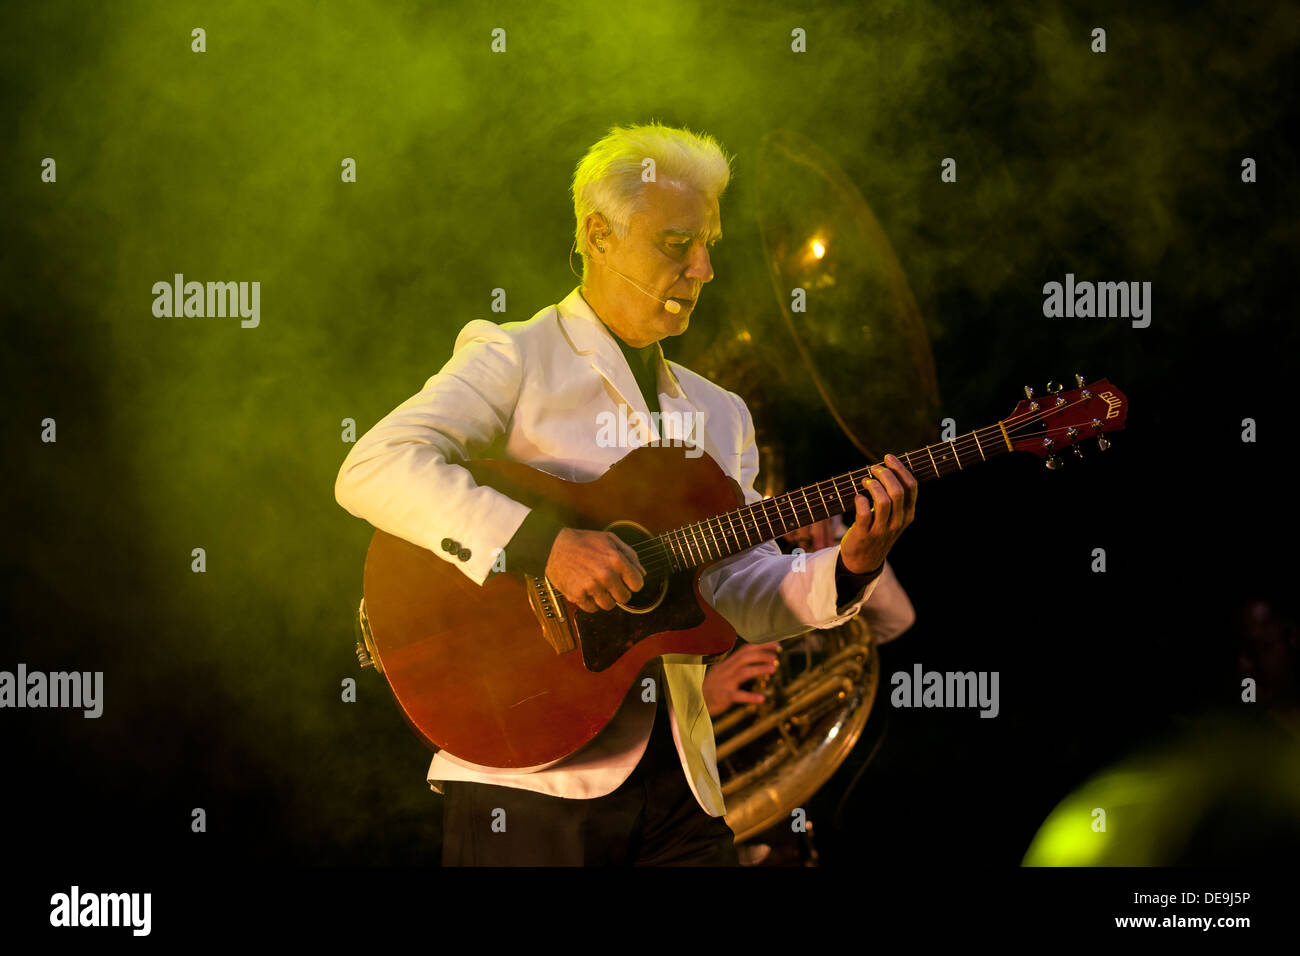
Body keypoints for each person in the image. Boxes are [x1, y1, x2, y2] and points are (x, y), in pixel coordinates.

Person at [334, 122, 918, 866]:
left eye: (710, 245)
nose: (704, 269)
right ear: (598, 235)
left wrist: (851, 566)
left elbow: (736, 590)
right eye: (678, 244)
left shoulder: (720, 413)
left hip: (684, 794)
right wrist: (544, 545)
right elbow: (374, 465)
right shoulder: (514, 356)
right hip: (527, 776)